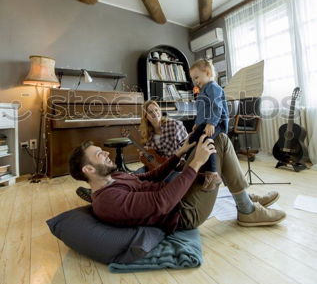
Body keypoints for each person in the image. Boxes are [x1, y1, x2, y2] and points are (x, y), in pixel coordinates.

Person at [69, 133, 286, 231]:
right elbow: (162, 202)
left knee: (206, 137)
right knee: (218, 142)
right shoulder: (108, 201)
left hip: (178, 194)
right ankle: (246, 209)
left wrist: (179, 154)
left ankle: (244, 198)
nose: (106, 153)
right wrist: (195, 164)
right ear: (88, 169)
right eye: (99, 154)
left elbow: (148, 177)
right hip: (185, 211)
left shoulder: (113, 177)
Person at [189, 59, 229, 192]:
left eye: (197, 77)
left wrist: (212, 123)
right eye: (193, 79)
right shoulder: (202, 90)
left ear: (207, 72)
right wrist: (197, 124)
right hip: (206, 122)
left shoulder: (212, 86)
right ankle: (190, 163)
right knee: (193, 137)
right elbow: (201, 111)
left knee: (206, 138)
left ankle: (213, 174)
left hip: (218, 122)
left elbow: (216, 106)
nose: (195, 81)